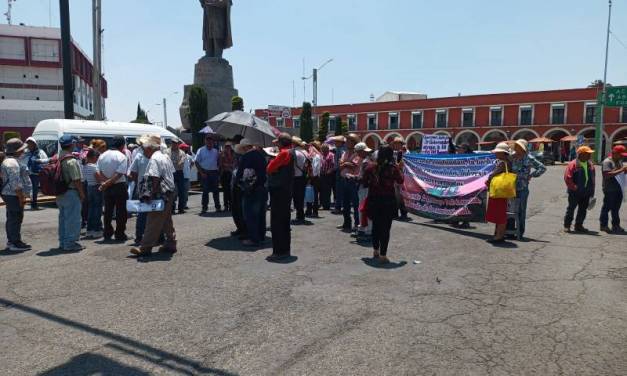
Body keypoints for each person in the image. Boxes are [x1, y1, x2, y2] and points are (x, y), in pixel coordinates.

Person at [130, 135, 177, 256]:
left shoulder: (154, 159)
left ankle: (145, 247)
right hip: (169, 191)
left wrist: (150, 194)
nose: (143, 150)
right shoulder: (165, 156)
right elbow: (171, 173)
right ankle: (171, 242)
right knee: (166, 219)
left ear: (150, 148)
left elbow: (154, 178)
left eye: (144, 148)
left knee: (153, 219)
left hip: (161, 192)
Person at [362, 145, 404, 263]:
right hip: (388, 201)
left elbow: (364, 183)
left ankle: (375, 250)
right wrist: (400, 168)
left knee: (375, 226)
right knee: (385, 228)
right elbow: (401, 181)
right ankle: (383, 255)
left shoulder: (370, 167)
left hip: (374, 200)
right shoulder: (393, 168)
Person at [266, 133, 295, 261]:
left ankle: (279, 251)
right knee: (284, 221)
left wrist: (271, 160)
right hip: (286, 190)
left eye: (277, 142)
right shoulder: (291, 152)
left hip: (279, 191)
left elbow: (269, 168)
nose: (276, 144)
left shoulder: (283, 153)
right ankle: (285, 249)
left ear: (281, 143)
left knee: (277, 222)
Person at [1, 138, 32, 251]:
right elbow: (16, 183)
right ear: (17, 151)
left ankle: (14, 240)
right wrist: (21, 197)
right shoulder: (12, 163)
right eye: (21, 149)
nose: (23, 151)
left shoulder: (10, 161)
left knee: (13, 217)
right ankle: (14, 242)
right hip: (14, 195)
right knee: (15, 218)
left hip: (12, 195)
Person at [511, 139, 546, 239]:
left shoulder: (529, 157)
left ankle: (520, 232)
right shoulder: (512, 156)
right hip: (510, 187)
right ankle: (510, 231)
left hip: (523, 188)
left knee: (521, 210)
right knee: (510, 210)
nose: (517, 148)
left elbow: (542, 168)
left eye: (519, 146)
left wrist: (531, 175)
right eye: (516, 146)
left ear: (523, 148)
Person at [235, 139, 267, 246]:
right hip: (262, 188)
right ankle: (261, 236)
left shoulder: (246, 157)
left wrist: (238, 182)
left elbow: (243, 174)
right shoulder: (261, 155)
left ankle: (254, 239)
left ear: (244, 148)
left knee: (250, 215)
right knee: (261, 215)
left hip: (251, 190)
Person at [97, 135, 129, 242]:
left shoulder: (102, 156)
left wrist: (106, 183)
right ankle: (120, 233)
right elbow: (119, 174)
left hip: (107, 186)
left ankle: (107, 232)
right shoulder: (121, 156)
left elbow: (99, 172)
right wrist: (109, 182)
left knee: (108, 210)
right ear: (122, 145)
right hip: (119, 186)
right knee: (121, 211)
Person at [56, 135, 86, 252]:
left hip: (60, 192)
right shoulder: (71, 160)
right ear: (71, 144)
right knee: (73, 219)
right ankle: (70, 243)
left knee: (63, 218)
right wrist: (82, 194)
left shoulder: (58, 157)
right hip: (71, 192)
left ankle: (63, 241)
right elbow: (76, 179)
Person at [485, 142, 513, 244]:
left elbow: (492, 175)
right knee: (500, 213)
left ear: (502, 153)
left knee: (499, 214)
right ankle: (498, 234)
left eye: (498, 152)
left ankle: (499, 236)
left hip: (499, 191)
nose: (496, 154)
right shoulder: (508, 162)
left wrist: (488, 180)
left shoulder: (502, 163)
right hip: (503, 191)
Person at [563, 146, 596, 233]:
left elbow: (593, 178)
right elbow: (567, 178)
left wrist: (592, 191)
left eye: (590, 154)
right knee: (571, 209)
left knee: (583, 210)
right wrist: (574, 187)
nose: (590, 155)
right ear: (581, 154)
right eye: (587, 154)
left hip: (586, 192)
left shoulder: (590, 164)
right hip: (575, 192)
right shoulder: (573, 164)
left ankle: (579, 225)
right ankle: (567, 225)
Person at [128, 137, 151, 245]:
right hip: (151, 187)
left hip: (143, 188)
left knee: (143, 213)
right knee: (153, 213)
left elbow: (132, 174)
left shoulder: (138, 156)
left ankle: (139, 236)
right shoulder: (157, 155)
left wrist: (138, 181)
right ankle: (156, 236)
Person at [599, 145, 627, 233]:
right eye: (621, 154)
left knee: (616, 208)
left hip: (618, 188)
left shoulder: (619, 161)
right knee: (606, 208)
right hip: (609, 189)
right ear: (614, 153)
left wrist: (624, 171)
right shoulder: (607, 162)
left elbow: (619, 172)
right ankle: (603, 225)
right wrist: (622, 169)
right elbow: (607, 175)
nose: (622, 156)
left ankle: (616, 225)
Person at [338, 134, 362, 231]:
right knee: (345, 203)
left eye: (349, 141)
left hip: (353, 181)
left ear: (354, 142)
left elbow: (353, 165)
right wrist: (346, 164)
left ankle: (357, 224)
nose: (347, 142)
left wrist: (344, 163)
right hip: (344, 180)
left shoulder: (358, 154)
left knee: (356, 204)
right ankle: (346, 223)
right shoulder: (345, 152)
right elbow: (341, 166)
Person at [195, 134, 221, 213]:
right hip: (205, 172)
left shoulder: (216, 151)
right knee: (205, 191)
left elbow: (218, 162)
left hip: (214, 172)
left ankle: (218, 207)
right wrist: (201, 173)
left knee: (216, 191)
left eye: (211, 140)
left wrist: (219, 170)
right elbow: (196, 162)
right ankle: (204, 207)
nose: (209, 141)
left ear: (213, 142)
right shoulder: (201, 150)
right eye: (208, 140)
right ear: (205, 141)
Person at [21, 137, 49, 210]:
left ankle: (34, 204)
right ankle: (22, 204)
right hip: (26, 174)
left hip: (35, 174)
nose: (30, 145)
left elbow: (46, 160)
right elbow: (20, 159)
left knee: (34, 189)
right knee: (24, 188)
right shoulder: (25, 152)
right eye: (28, 144)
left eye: (31, 144)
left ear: (34, 144)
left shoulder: (40, 152)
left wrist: (38, 160)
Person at [83, 149, 103, 239]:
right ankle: (97, 230)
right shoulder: (94, 167)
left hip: (89, 187)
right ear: (94, 157)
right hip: (96, 187)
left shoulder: (85, 166)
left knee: (91, 209)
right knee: (97, 209)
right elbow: (98, 179)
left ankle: (89, 230)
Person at [165, 138, 188, 214]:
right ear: (171, 143)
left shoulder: (182, 152)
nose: (175, 144)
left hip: (179, 172)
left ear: (178, 144)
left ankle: (181, 208)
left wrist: (179, 162)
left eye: (176, 143)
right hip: (170, 172)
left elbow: (182, 161)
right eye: (173, 142)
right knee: (171, 191)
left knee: (182, 191)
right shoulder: (166, 152)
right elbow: (166, 161)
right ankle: (172, 209)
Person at [391, 136, 410, 221]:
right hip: (395, 177)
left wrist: (403, 153)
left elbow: (401, 165)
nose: (396, 145)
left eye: (398, 143)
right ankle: (395, 213)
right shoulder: (393, 153)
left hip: (404, 177)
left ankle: (403, 213)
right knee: (395, 196)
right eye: (395, 143)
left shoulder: (406, 153)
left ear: (401, 144)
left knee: (402, 196)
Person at [291, 136, 309, 223]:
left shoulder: (294, 153)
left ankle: (299, 215)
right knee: (301, 197)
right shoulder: (305, 152)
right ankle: (301, 214)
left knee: (296, 197)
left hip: (296, 177)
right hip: (303, 176)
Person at [305, 141, 322, 218]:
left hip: (313, 178)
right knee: (312, 193)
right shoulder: (317, 155)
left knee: (312, 194)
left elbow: (315, 168)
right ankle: (310, 210)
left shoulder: (315, 156)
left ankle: (312, 211)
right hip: (314, 177)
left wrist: (311, 176)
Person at [219, 141, 236, 211]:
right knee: (225, 191)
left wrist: (227, 165)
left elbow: (235, 164)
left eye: (229, 146)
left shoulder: (234, 154)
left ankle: (231, 205)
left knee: (231, 191)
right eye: (226, 146)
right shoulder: (221, 154)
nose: (227, 148)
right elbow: (220, 164)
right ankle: (226, 206)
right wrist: (229, 165)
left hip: (232, 174)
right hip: (224, 174)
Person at [319, 143, 336, 210]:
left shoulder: (331, 155)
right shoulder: (321, 155)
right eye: (322, 149)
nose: (323, 150)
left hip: (328, 175)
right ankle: (323, 204)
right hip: (322, 174)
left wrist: (329, 171)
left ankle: (327, 205)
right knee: (322, 190)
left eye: (325, 148)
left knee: (327, 190)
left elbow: (333, 165)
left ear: (328, 149)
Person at [332, 136, 346, 214]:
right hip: (340, 171)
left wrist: (338, 169)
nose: (335, 143)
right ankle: (341, 206)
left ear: (341, 142)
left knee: (339, 190)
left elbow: (340, 162)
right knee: (340, 190)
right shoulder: (340, 149)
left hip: (339, 171)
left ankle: (338, 207)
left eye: (337, 141)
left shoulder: (340, 150)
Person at [180, 143, 193, 211]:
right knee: (178, 192)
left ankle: (184, 205)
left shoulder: (188, 156)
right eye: (185, 148)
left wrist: (189, 168)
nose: (186, 149)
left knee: (186, 192)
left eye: (186, 148)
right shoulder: (179, 155)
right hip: (180, 176)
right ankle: (178, 205)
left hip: (187, 176)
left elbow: (192, 162)